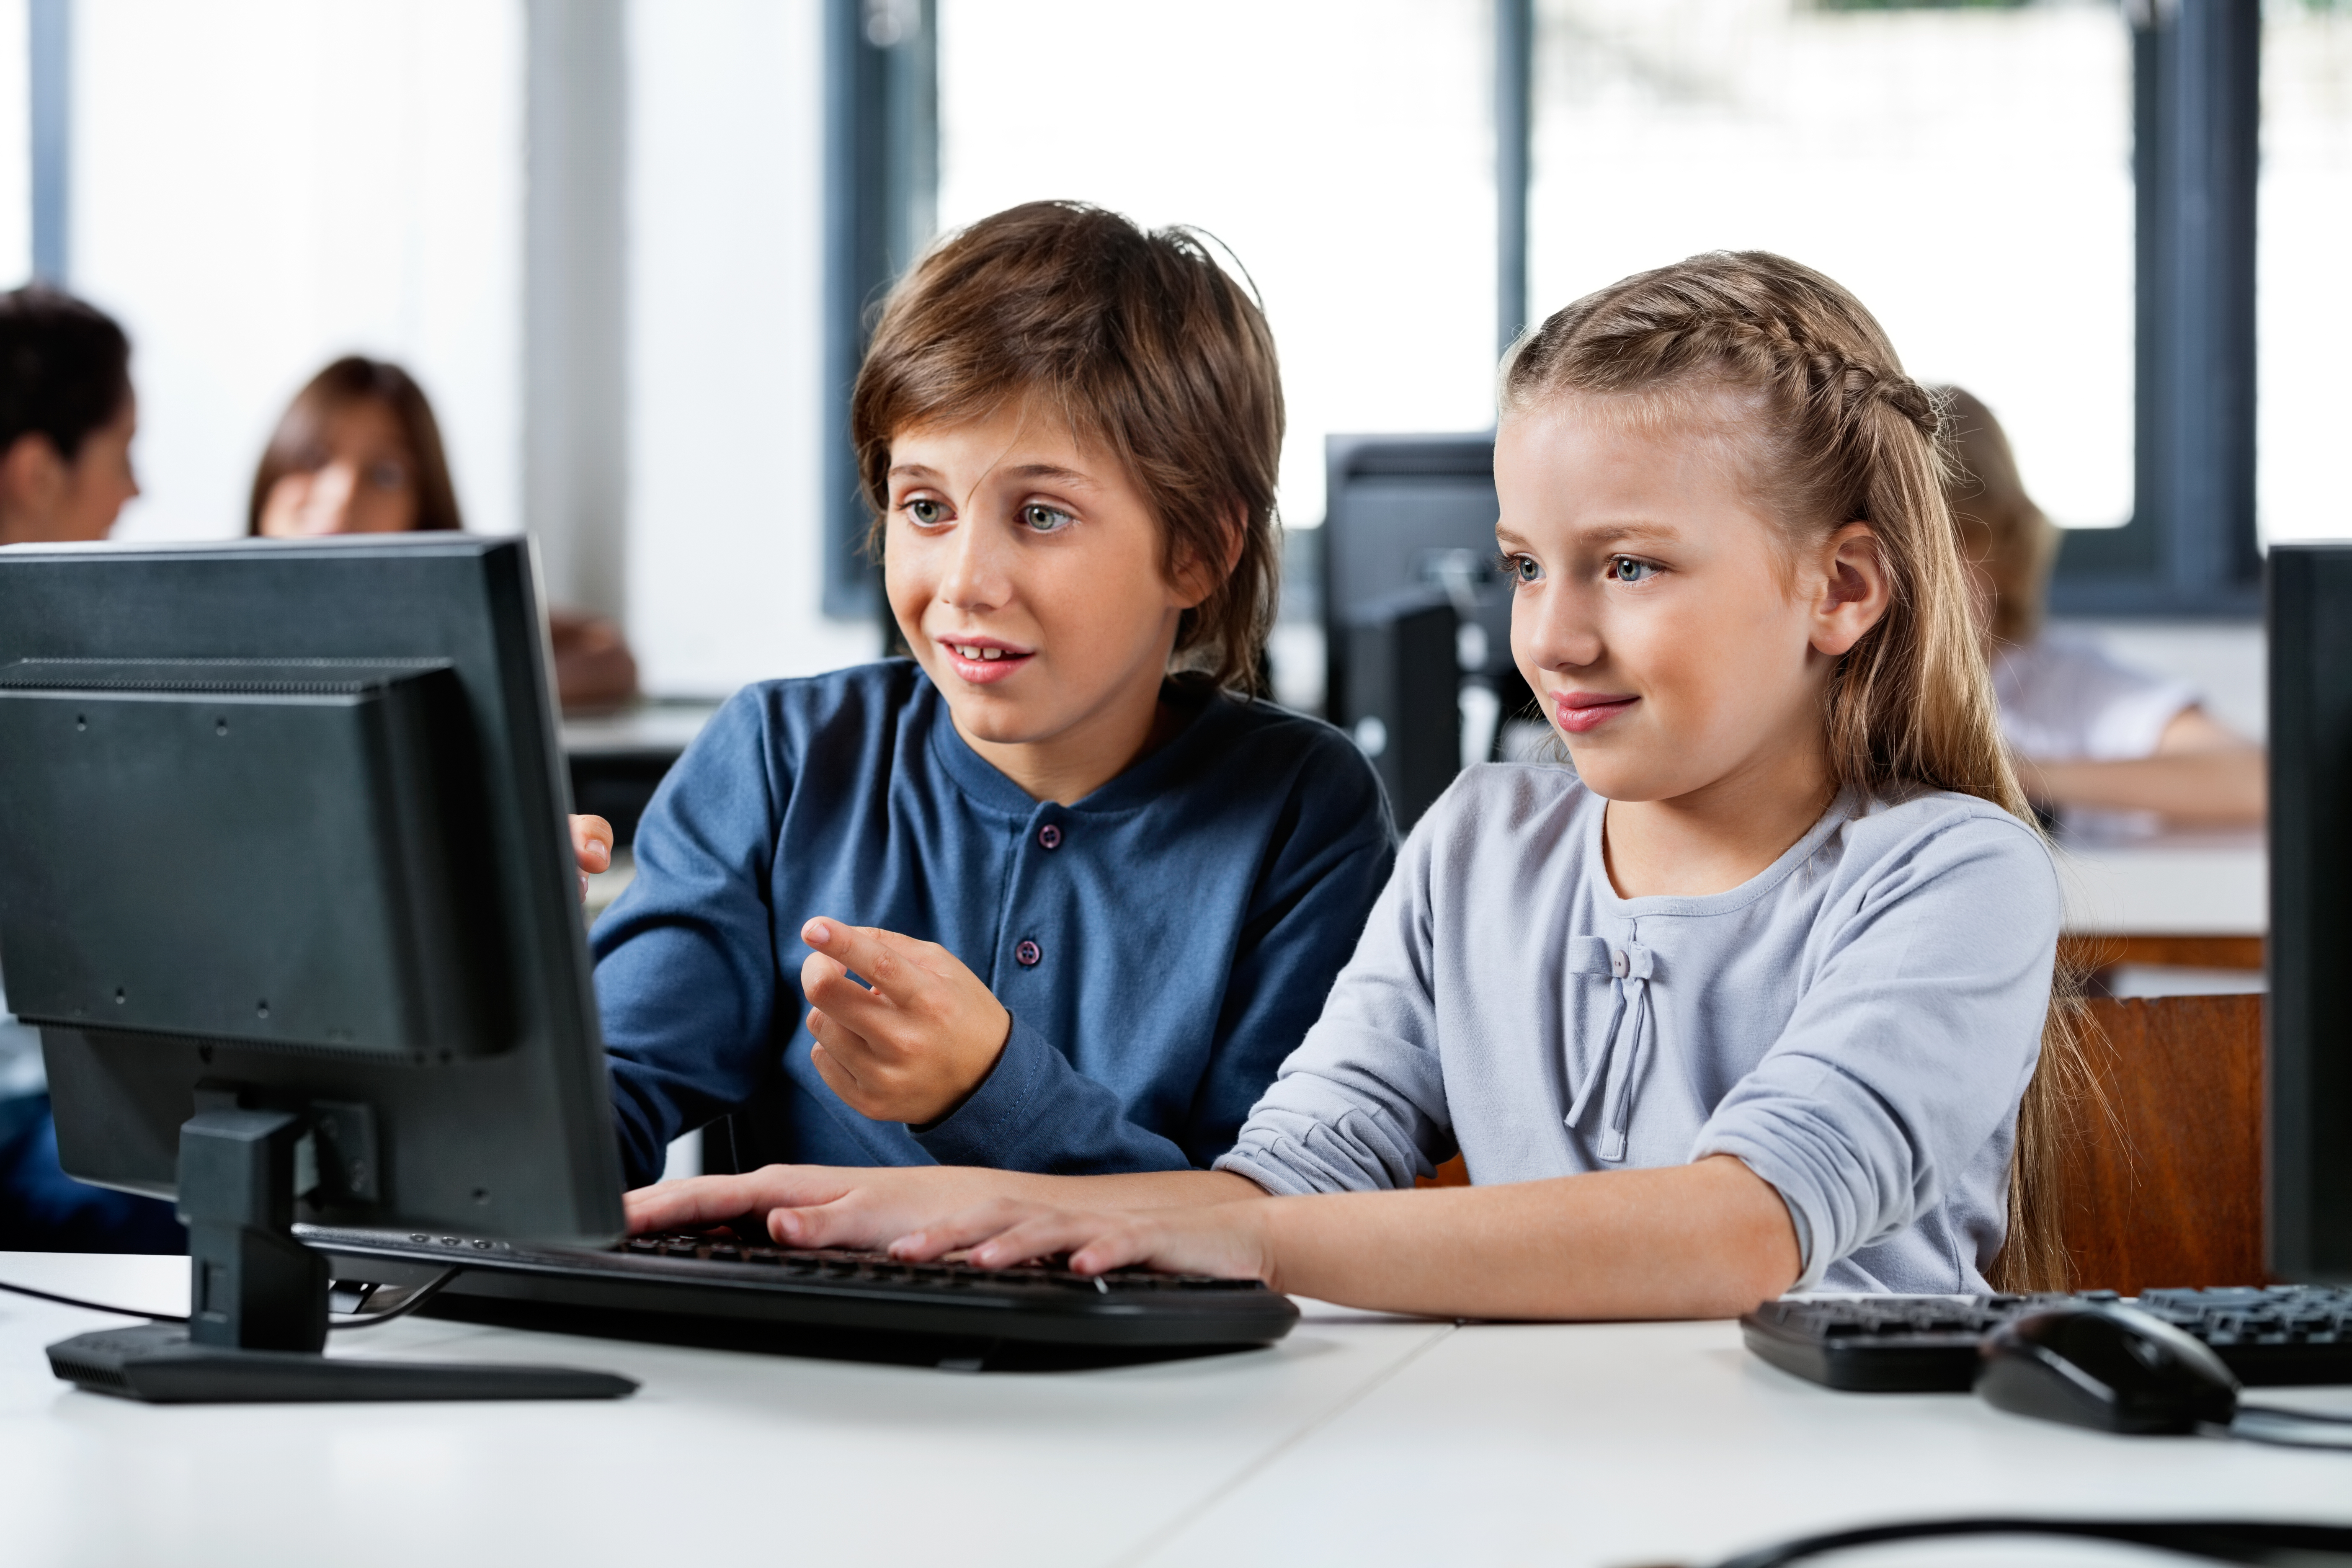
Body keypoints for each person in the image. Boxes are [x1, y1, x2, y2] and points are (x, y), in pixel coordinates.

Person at [630, 251, 2097, 1316]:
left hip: (1840, 1483)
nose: (1552, 633)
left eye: (1629, 565)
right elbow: (1286, 1183)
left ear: (1840, 587)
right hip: (1529, 1476)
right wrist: (968, 1204)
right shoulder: (1484, 838)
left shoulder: (1953, 873)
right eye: (1527, 566)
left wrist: (1181, 1224)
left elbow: (1735, 1236)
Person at [588, 202, 1394, 1190]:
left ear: (1196, 550)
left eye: (1042, 513)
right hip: (794, 1345)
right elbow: (600, 1111)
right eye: (925, 506)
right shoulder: (780, 756)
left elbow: (1269, 1213)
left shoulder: (1302, 811)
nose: (965, 580)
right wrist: (498, 1016)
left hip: (1156, 1350)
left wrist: (989, 1089)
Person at [0, 284, 182, 1252]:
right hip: (30, 1116)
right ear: (36, 471)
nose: (136, 490)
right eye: (123, 447)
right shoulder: (52, 688)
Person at [1944, 386, 2263, 830]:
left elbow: (2255, 781)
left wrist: (2015, 778)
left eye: (1944, 555)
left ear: (2006, 554)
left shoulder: (2064, 687)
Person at [249, 356, 639, 712]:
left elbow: (607, 652)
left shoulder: (431, 616)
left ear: (423, 508)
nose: (343, 495)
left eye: (385, 474)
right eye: (314, 459)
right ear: (272, 473)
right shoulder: (207, 617)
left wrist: (469, 685)